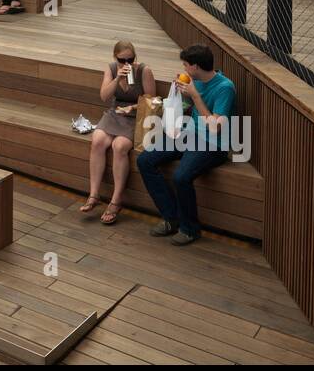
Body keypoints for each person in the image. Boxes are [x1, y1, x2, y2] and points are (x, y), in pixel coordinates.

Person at [137, 44, 236, 246]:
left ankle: (190, 229)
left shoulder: (225, 87)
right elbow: (189, 109)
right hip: (189, 133)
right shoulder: (195, 81)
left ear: (196, 66)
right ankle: (171, 217)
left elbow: (215, 127)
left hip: (213, 143)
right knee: (145, 160)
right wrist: (180, 96)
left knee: (181, 177)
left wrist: (195, 95)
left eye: (185, 65)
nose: (183, 69)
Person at [82, 42, 157, 225]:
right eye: (122, 60)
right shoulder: (112, 69)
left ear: (135, 58)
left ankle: (116, 200)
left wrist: (132, 107)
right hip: (115, 112)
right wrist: (117, 79)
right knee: (98, 140)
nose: (126, 63)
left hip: (136, 116)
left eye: (130, 59)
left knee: (119, 146)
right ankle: (94, 194)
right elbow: (104, 96)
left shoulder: (143, 71)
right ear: (115, 58)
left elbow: (151, 102)